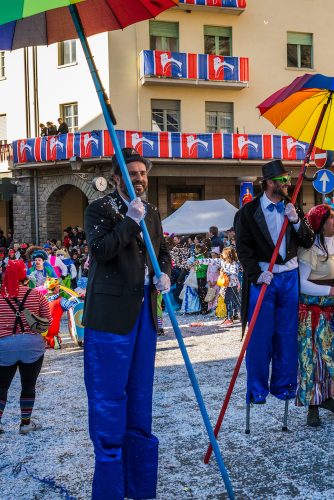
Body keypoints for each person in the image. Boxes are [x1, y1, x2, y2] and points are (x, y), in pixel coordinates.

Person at [83, 148, 172, 499]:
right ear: (117, 177)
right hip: (109, 320)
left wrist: (164, 272)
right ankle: (109, 491)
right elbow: (101, 250)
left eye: (143, 173)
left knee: (139, 399)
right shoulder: (98, 209)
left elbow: (160, 251)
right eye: (132, 173)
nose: (140, 179)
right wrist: (130, 221)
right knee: (108, 401)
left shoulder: (152, 212)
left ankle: (139, 487)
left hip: (144, 318)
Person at [235, 160, 314, 415]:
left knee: (287, 334)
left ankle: (284, 386)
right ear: (269, 183)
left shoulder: (293, 208)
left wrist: (297, 222)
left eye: (288, 179)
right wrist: (257, 274)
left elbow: (308, 241)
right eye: (282, 180)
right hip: (264, 279)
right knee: (260, 336)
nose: (287, 183)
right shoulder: (247, 213)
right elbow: (243, 251)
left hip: (289, 277)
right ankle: (257, 389)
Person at [296, 204, 334, 427]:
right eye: (330, 218)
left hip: (332, 311)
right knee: (313, 359)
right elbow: (301, 284)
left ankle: (328, 397)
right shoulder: (309, 248)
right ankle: (312, 405)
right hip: (313, 313)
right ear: (320, 224)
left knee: (333, 355)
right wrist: (330, 290)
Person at [0, 260, 51, 435]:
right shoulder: (36, 295)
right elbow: (47, 320)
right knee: (28, 385)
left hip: (4, 347)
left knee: (1, 387)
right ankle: (25, 424)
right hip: (32, 346)